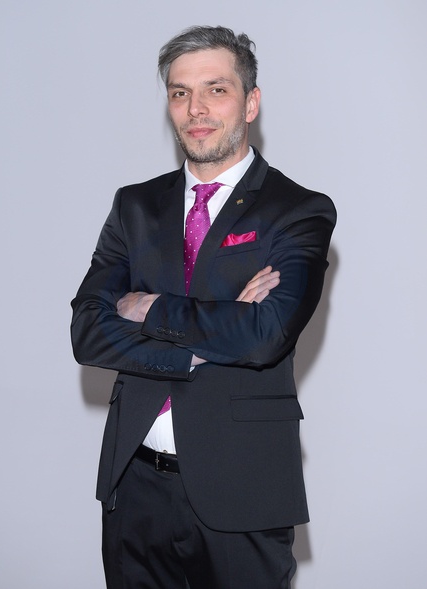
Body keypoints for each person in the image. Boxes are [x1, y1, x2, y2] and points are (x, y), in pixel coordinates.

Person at [71, 25, 336, 589]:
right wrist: (201, 346)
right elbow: (88, 332)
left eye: (216, 89)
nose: (196, 109)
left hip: (243, 491)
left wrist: (147, 307)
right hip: (133, 487)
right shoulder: (135, 206)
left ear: (251, 102)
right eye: (180, 92)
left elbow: (264, 335)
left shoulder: (298, 210)